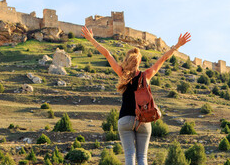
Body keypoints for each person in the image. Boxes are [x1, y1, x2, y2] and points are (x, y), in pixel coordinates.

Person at [81, 26, 191, 165]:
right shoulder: (146, 75)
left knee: (129, 156)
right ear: (139, 61)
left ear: (128, 60)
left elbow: (108, 54)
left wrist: (92, 40)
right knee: (142, 157)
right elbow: (163, 58)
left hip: (125, 119)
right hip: (144, 119)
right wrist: (177, 45)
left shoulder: (122, 74)